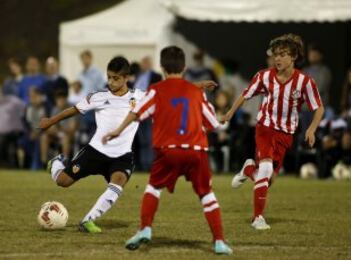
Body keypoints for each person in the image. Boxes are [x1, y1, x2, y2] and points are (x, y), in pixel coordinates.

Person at [102, 46, 232, 255]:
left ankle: (145, 229)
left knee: (153, 188)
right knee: (207, 195)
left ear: (161, 67)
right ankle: (219, 242)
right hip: (195, 150)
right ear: (185, 67)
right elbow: (212, 123)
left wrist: (118, 130)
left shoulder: (156, 90)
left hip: (167, 150)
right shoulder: (196, 92)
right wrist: (221, 119)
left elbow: (137, 112)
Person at [222, 34, 324, 230]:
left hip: (285, 134)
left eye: (283, 54)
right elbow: (245, 94)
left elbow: (318, 108)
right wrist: (229, 113)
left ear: (293, 57)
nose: (278, 58)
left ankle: (248, 169)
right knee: (267, 170)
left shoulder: (305, 82)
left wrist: (311, 129)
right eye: (276, 54)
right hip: (265, 128)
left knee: (267, 179)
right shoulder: (264, 76)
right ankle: (257, 218)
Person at [38, 56, 145, 233]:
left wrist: (196, 87)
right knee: (63, 182)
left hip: (122, 155)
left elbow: (168, 93)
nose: (111, 81)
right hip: (95, 151)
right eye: (109, 77)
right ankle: (57, 162)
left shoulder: (139, 96)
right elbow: (74, 110)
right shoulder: (99, 97)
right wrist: (51, 121)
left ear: (126, 78)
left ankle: (88, 220)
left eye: (116, 78)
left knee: (118, 183)